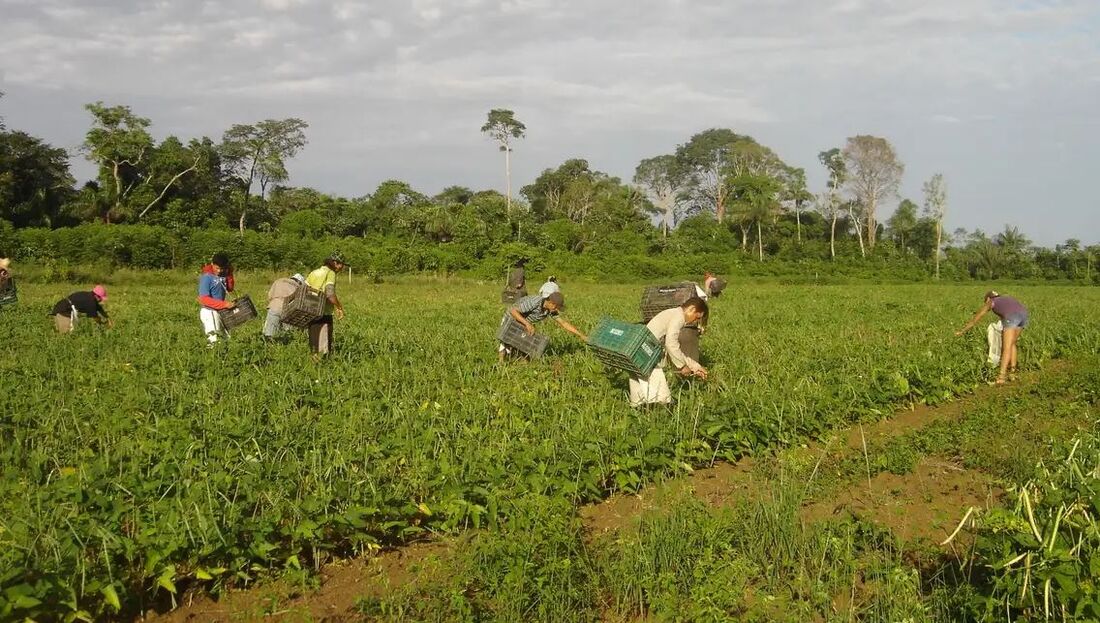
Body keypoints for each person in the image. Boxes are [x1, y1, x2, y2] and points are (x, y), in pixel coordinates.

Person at [630, 297, 709, 407]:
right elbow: (671, 343)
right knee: (663, 399)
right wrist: (682, 366)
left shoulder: (672, 313)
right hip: (647, 354)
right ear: (691, 309)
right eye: (697, 317)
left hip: (637, 351)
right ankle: (657, 415)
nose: (695, 322)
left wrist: (695, 366)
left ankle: (639, 413)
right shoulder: (679, 317)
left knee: (639, 398)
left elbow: (673, 349)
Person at [955, 291, 1028, 384]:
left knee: (1006, 347)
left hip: (1012, 316)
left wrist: (962, 331)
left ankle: (1001, 376)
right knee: (1012, 343)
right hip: (1024, 315)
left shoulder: (991, 302)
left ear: (988, 299)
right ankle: (1012, 373)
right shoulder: (1005, 298)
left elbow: (975, 319)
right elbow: (1010, 310)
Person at [498, 291, 586, 361]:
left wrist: (580, 335)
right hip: (511, 318)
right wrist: (527, 324)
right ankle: (501, 363)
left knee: (523, 342)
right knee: (506, 341)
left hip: (523, 322)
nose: (556, 310)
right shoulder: (535, 302)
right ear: (551, 303)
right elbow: (513, 311)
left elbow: (563, 323)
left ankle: (521, 361)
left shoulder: (550, 310)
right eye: (556, 307)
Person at [305, 253, 348, 357]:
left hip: (311, 311)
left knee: (314, 343)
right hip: (323, 313)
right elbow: (330, 294)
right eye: (341, 265)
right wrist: (339, 307)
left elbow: (303, 289)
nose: (341, 268)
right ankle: (323, 366)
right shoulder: (330, 273)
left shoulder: (314, 272)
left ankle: (314, 366)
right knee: (323, 345)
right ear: (335, 263)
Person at [197, 253, 236, 344]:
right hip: (210, 311)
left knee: (226, 339)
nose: (219, 271)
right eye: (217, 268)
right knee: (214, 341)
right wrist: (225, 304)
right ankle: (212, 357)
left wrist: (229, 273)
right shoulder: (207, 277)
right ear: (212, 264)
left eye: (222, 268)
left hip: (220, 311)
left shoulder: (223, 275)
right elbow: (204, 299)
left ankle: (223, 357)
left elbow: (230, 288)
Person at [263, 273, 305, 340]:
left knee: (269, 333)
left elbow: (270, 296)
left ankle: (268, 346)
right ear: (299, 282)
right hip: (288, 310)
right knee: (288, 334)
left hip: (274, 307)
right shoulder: (298, 287)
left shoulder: (279, 281)